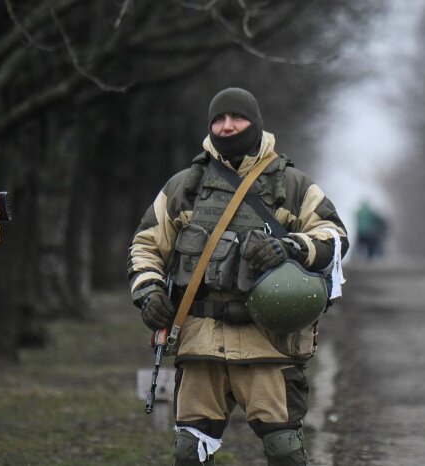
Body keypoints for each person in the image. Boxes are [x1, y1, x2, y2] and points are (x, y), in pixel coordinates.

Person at [127, 87, 348, 465]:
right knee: (188, 452)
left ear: (256, 123)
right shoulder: (184, 187)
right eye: (218, 119)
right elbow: (146, 246)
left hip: (270, 343)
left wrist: (291, 247)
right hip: (200, 343)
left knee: (285, 451)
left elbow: (333, 237)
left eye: (237, 118)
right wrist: (148, 293)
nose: (227, 126)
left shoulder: (292, 185)